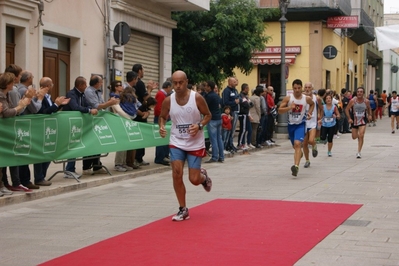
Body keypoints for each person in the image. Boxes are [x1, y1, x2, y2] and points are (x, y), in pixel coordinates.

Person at [158, 70, 212, 221]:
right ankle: (183, 209)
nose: (178, 85)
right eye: (175, 83)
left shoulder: (197, 98)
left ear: (186, 82)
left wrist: (199, 126)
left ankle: (203, 177)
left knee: (194, 180)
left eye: (181, 82)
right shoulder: (169, 100)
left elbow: (208, 115)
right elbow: (162, 116)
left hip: (195, 142)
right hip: (177, 141)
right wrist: (161, 126)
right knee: (176, 172)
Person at [0, 72, 32, 192]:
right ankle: (3, 184)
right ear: (8, 84)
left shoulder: (7, 95)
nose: (14, 85)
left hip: (7, 131)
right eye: (13, 82)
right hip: (4, 130)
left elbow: (12, 109)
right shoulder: (1, 95)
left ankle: (8, 183)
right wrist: (19, 107)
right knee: (3, 158)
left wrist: (22, 103)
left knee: (10, 156)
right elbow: (7, 112)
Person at [63, 76, 99, 179]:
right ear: (80, 85)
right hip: (69, 124)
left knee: (75, 146)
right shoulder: (71, 94)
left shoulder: (82, 95)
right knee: (72, 146)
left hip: (78, 125)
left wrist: (90, 109)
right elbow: (75, 107)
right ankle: (69, 170)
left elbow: (86, 105)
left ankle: (71, 169)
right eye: (84, 84)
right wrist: (89, 111)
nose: (86, 86)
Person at [82, 75, 119, 175]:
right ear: (96, 83)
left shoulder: (98, 91)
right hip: (90, 120)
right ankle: (86, 167)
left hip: (98, 120)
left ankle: (97, 166)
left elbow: (102, 103)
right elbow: (96, 106)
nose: (102, 84)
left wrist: (109, 102)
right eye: (101, 82)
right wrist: (110, 103)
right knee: (90, 143)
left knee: (97, 142)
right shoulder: (89, 91)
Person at [278, 79, 314, 177]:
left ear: (301, 88)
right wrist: (289, 108)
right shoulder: (288, 98)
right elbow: (280, 110)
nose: (297, 90)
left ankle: (296, 167)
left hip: (300, 125)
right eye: (295, 88)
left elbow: (312, 104)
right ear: (292, 88)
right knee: (295, 146)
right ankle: (299, 154)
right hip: (291, 126)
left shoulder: (306, 98)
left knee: (297, 144)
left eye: (299, 88)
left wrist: (309, 113)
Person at [132, 64, 159, 166]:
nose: (144, 72)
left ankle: (137, 158)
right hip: (140, 114)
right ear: (139, 71)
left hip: (137, 112)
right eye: (143, 70)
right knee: (140, 136)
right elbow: (147, 98)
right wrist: (149, 89)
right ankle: (137, 158)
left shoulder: (135, 84)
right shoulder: (140, 83)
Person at [345, 87, 372, 159]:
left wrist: (369, 115)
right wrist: (349, 118)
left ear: (363, 93)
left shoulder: (366, 101)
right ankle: (359, 138)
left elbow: (369, 108)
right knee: (354, 137)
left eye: (361, 92)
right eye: (358, 92)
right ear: (356, 93)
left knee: (361, 135)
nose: (359, 93)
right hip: (354, 120)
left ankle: (359, 151)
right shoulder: (352, 101)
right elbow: (347, 109)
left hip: (363, 120)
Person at [204, 80, 224, 163]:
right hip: (218, 118)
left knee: (213, 139)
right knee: (219, 138)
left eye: (206, 86)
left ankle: (215, 156)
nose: (205, 87)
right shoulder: (216, 95)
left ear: (209, 87)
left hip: (212, 119)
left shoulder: (209, 96)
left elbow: (205, 106)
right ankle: (221, 156)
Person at [302, 82, 322, 168]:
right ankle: (307, 160)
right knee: (305, 143)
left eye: (309, 87)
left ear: (312, 88)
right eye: (306, 87)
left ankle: (314, 145)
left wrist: (320, 118)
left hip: (313, 123)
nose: (307, 89)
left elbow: (322, 108)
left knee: (310, 140)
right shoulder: (301, 97)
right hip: (304, 122)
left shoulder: (316, 98)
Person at [154, 80, 173, 166]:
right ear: (168, 87)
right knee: (161, 138)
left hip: (165, 117)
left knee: (165, 138)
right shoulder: (161, 94)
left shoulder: (164, 95)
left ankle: (164, 155)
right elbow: (158, 108)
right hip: (161, 118)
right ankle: (159, 157)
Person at [221, 77, 239, 152]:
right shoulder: (226, 91)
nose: (236, 83)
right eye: (234, 81)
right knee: (229, 130)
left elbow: (238, 98)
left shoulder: (235, 91)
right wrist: (234, 102)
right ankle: (227, 145)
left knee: (233, 129)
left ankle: (231, 144)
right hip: (230, 113)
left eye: (236, 81)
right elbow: (225, 102)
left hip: (236, 111)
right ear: (230, 82)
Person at [237, 83, 252, 150]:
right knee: (243, 130)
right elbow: (246, 104)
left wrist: (249, 104)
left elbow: (251, 104)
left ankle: (243, 143)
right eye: (247, 88)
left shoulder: (246, 96)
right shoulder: (241, 96)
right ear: (245, 89)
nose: (248, 90)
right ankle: (240, 144)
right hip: (243, 114)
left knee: (245, 130)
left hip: (246, 114)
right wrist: (248, 104)